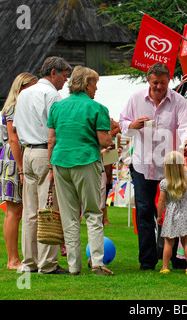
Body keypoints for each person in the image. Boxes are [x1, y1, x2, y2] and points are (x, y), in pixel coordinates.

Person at [119, 62, 187, 270]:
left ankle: (176, 259)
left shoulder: (178, 101)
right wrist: (132, 125)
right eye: (155, 83)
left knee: (176, 211)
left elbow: (186, 126)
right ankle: (147, 260)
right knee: (144, 212)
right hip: (143, 165)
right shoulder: (136, 98)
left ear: (169, 80)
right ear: (148, 80)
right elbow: (122, 123)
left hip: (169, 168)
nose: (159, 87)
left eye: (163, 83)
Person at [48, 65, 117, 276]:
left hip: (60, 162)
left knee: (69, 217)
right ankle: (97, 262)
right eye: (95, 84)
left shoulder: (57, 108)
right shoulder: (98, 108)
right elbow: (104, 140)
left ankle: (73, 266)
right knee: (93, 213)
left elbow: (51, 140)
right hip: (86, 161)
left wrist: (51, 167)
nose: (96, 88)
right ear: (87, 84)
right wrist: (113, 134)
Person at [13, 56, 72, 274]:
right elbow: (55, 132)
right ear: (54, 72)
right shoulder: (52, 95)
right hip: (43, 153)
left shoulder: (24, 94)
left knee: (29, 211)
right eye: (64, 76)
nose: (65, 81)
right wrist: (52, 163)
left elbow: (16, 129)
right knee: (48, 209)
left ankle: (29, 262)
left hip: (27, 151)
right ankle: (47, 263)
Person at [0, 72, 38, 270]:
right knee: (14, 210)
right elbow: (14, 138)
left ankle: (17, 257)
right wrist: (21, 167)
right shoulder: (15, 107)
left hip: (14, 157)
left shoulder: (15, 106)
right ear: (22, 88)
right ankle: (13, 259)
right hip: (14, 158)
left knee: (17, 210)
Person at [157, 151, 187, 275]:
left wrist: (159, 215)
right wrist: (184, 161)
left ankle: (165, 267)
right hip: (185, 213)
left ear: (166, 167)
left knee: (168, 243)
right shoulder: (186, 178)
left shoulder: (164, 183)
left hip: (171, 215)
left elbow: (161, 201)